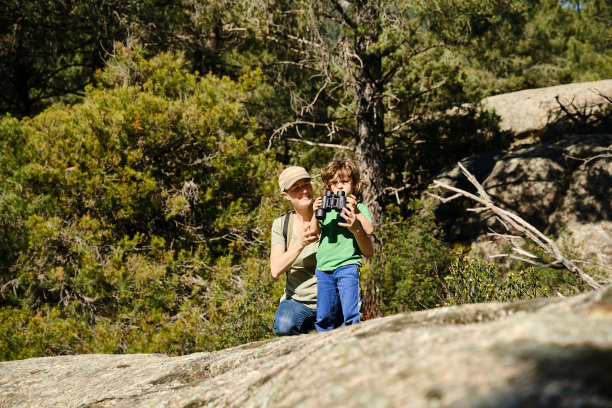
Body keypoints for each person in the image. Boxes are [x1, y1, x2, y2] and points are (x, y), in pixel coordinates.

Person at [310, 158, 374, 331]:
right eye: (334, 183)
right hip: (324, 267)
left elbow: (369, 230)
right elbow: (313, 231)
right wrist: (315, 213)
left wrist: (357, 212)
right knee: (324, 315)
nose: (339, 187)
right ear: (329, 187)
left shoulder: (359, 207)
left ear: (354, 185)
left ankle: (353, 341)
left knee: (351, 312)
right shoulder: (326, 207)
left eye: (345, 182)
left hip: (347, 265)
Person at [270, 166, 320, 335]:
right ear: (286, 196)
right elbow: (276, 269)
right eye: (296, 188)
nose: (304, 191)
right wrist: (301, 243)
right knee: (285, 325)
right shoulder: (282, 225)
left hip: (331, 298)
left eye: (306, 184)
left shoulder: (327, 213)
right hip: (298, 302)